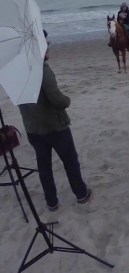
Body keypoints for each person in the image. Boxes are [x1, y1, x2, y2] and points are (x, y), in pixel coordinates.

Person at [18, 30, 92, 212]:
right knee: (70, 161)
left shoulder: (19, 72)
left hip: (33, 129)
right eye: (46, 44)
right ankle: (81, 194)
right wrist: (67, 100)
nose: (49, 47)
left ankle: (51, 202)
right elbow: (56, 99)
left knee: (44, 166)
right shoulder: (41, 70)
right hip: (54, 127)